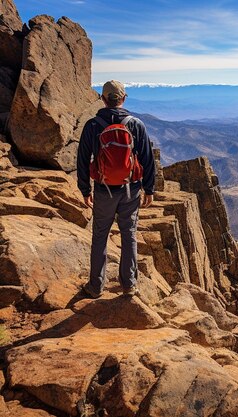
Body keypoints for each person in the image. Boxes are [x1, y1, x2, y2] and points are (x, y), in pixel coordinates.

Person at [76, 80, 156, 298]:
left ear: (103, 98)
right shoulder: (136, 124)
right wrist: (149, 189)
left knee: (100, 235)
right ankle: (129, 284)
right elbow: (148, 160)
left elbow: (82, 160)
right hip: (131, 189)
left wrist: (85, 190)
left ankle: (95, 286)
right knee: (128, 234)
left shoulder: (92, 126)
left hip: (103, 190)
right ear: (123, 98)